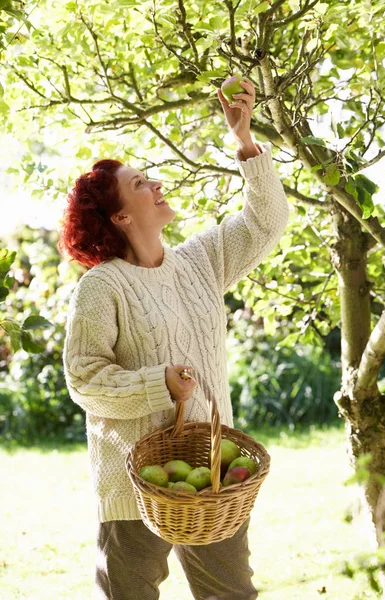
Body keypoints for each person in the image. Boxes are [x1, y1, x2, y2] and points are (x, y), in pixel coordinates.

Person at [59, 77, 289, 600]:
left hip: (212, 475)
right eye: (140, 184)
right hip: (131, 480)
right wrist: (157, 383)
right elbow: (84, 380)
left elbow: (268, 221)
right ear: (119, 215)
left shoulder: (201, 261)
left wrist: (244, 140)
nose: (156, 185)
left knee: (231, 594)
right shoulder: (102, 287)